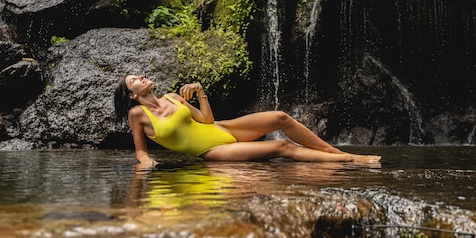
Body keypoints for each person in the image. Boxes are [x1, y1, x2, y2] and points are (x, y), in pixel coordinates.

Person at [114, 74, 381, 168]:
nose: (140, 77)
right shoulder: (138, 115)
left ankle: (335, 153)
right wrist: (146, 162)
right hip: (213, 150)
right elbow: (141, 151)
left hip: (222, 129)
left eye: (138, 75)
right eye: (134, 80)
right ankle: (350, 160)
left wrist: (199, 90)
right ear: (132, 95)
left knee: (280, 117)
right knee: (282, 147)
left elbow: (207, 119)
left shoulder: (173, 97)